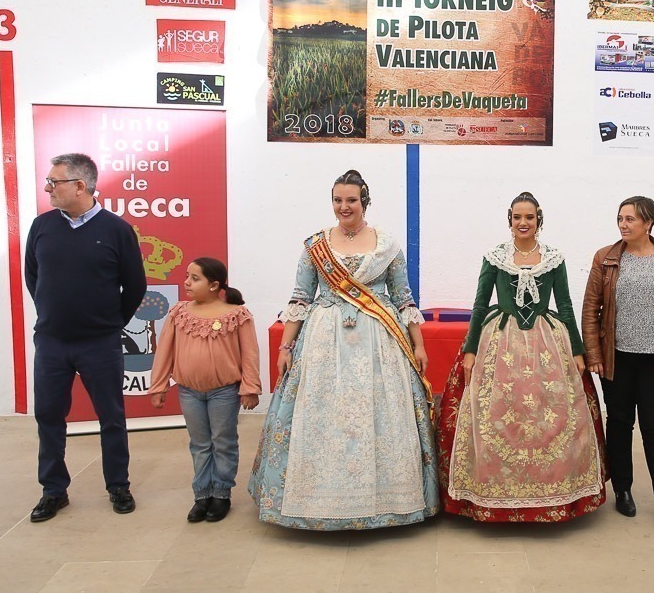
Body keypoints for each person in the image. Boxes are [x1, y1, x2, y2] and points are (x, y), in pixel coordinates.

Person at [247, 170, 438, 530]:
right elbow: (300, 298)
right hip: (323, 342)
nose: (343, 207)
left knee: (381, 414)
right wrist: (286, 346)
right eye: (337, 200)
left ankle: (387, 501)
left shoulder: (387, 246)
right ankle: (314, 500)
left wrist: (419, 344)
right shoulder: (316, 246)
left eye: (351, 200)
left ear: (364, 201)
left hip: (379, 340)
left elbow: (404, 298)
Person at [436, 192, 607, 522]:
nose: (523, 223)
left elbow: (567, 306)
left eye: (529, 217)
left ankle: (552, 490)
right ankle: (491, 492)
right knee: (497, 414)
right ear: (510, 219)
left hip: (547, 343)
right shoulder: (495, 257)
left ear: (538, 219)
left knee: (552, 417)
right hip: (500, 341)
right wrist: (470, 350)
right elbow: (480, 304)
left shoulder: (554, 259)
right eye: (517, 217)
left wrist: (576, 350)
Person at [25, 153, 147, 522]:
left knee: (111, 416)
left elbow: (135, 285)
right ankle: (53, 490)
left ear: (80, 185)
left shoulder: (116, 230)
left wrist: (108, 324)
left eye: (54, 182)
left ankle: (118, 485)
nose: (48, 188)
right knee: (49, 416)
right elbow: (34, 278)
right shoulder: (42, 226)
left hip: (100, 343)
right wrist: (53, 315)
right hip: (51, 342)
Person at [582, 196, 654, 520]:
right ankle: (623, 490)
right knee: (619, 424)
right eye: (620, 218)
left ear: (648, 223)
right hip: (616, 358)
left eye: (630, 219)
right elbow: (591, 310)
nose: (623, 224)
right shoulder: (605, 258)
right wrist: (594, 354)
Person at [149, 258, 262, 523]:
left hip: (224, 392)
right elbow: (164, 350)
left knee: (223, 442)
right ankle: (202, 494)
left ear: (214, 285)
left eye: (194, 278)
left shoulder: (237, 314)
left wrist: (250, 387)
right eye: (187, 276)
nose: (186, 282)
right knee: (200, 444)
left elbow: (250, 354)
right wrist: (159, 385)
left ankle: (221, 494)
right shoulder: (179, 313)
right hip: (189, 392)